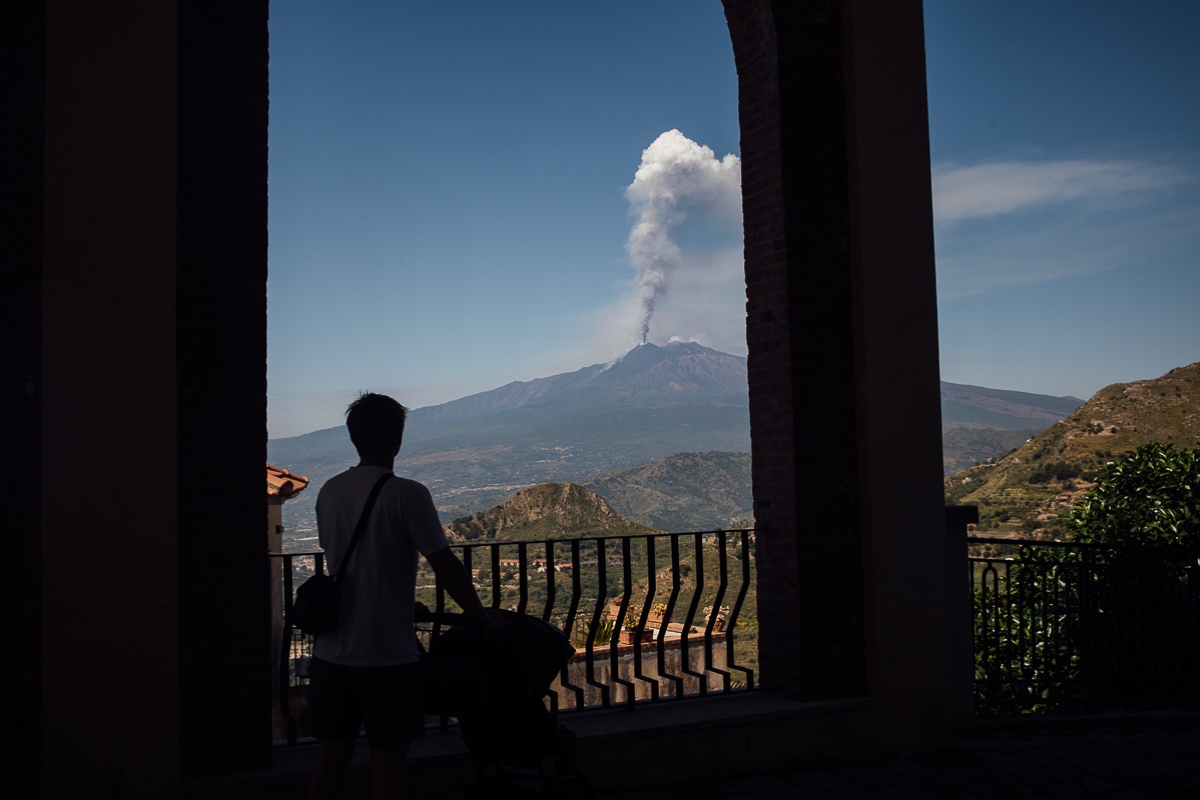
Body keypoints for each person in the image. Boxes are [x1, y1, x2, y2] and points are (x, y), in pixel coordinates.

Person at [304, 392, 499, 800]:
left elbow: (348, 564)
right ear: (398, 438)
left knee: (329, 764)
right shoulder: (408, 494)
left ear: (353, 437)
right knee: (388, 770)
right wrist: (482, 618)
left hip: (331, 652)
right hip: (386, 655)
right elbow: (446, 566)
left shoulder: (329, 491)